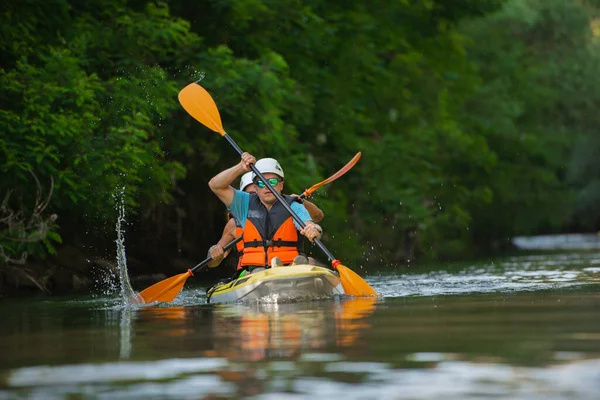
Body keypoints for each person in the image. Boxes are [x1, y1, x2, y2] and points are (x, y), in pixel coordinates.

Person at [208, 153, 323, 273]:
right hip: (256, 272)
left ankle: (292, 267)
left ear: (281, 185)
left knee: (306, 263)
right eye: (261, 183)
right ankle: (282, 269)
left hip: (289, 266)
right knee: (258, 271)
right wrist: (241, 167)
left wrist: (313, 229)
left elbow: (309, 223)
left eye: (272, 182)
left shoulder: (293, 205)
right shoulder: (244, 204)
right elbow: (215, 185)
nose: (266, 187)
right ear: (255, 187)